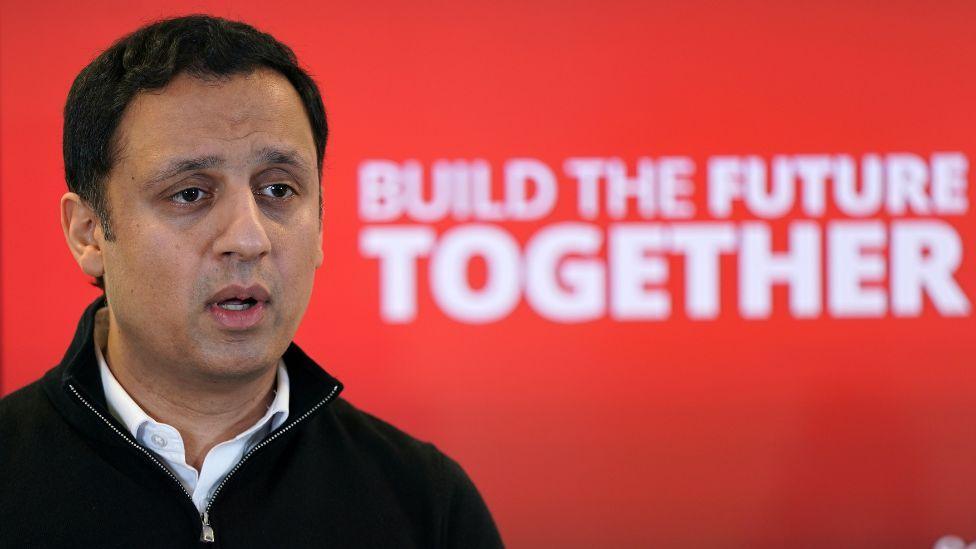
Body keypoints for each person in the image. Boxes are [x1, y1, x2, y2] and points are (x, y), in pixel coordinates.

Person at [0, 14, 503, 548]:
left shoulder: (424, 502)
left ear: (321, 225)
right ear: (90, 234)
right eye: (190, 193)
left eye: (279, 190)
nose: (248, 237)